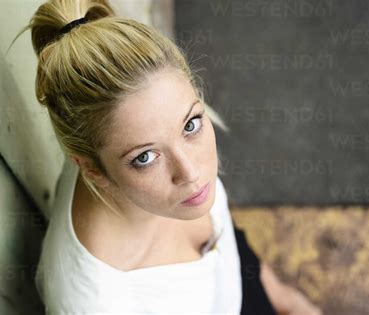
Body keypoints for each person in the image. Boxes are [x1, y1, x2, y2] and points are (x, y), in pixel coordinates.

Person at [19, 0, 323, 313]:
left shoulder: (138, 153)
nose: (192, 173)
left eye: (191, 125)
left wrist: (287, 300)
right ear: (92, 170)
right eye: (145, 158)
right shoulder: (98, 304)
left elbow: (228, 241)